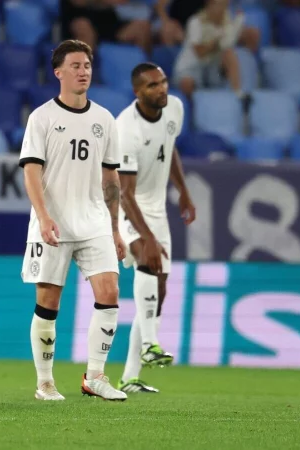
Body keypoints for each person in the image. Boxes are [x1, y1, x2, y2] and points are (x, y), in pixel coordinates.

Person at [20, 39, 128, 402]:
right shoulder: (42, 117)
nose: (84, 72)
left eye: (88, 65)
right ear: (59, 72)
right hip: (53, 222)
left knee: (110, 292)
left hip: (94, 220)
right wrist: (44, 216)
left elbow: (111, 179)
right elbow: (32, 173)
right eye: (77, 66)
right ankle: (45, 382)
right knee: (49, 301)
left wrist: (115, 228)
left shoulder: (104, 119)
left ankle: (95, 376)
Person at [115, 63, 196, 393]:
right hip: (126, 207)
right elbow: (124, 193)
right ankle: (150, 344)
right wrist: (145, 237)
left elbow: (169, 148)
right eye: (152, 85)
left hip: (158, 211)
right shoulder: (127, 129)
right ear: (138, 92)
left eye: (163, 82)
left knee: (157, 295)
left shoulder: (174, 107)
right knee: (147, 262)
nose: (161, 89)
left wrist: (184, 192)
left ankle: (130, 377)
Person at [172, 0, 248, 99]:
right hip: (191, 68)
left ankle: (238, 95)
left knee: (230, 54)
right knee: (187, 83)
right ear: (209, 5)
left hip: (212, 69)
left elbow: (228, 44)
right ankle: (194, 110)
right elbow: (199, 52)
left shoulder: (227, 24)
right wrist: (217, 43)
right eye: (217, 5)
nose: (220, 10)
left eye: (223, 6)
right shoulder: (195, 22)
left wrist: (237, 25)